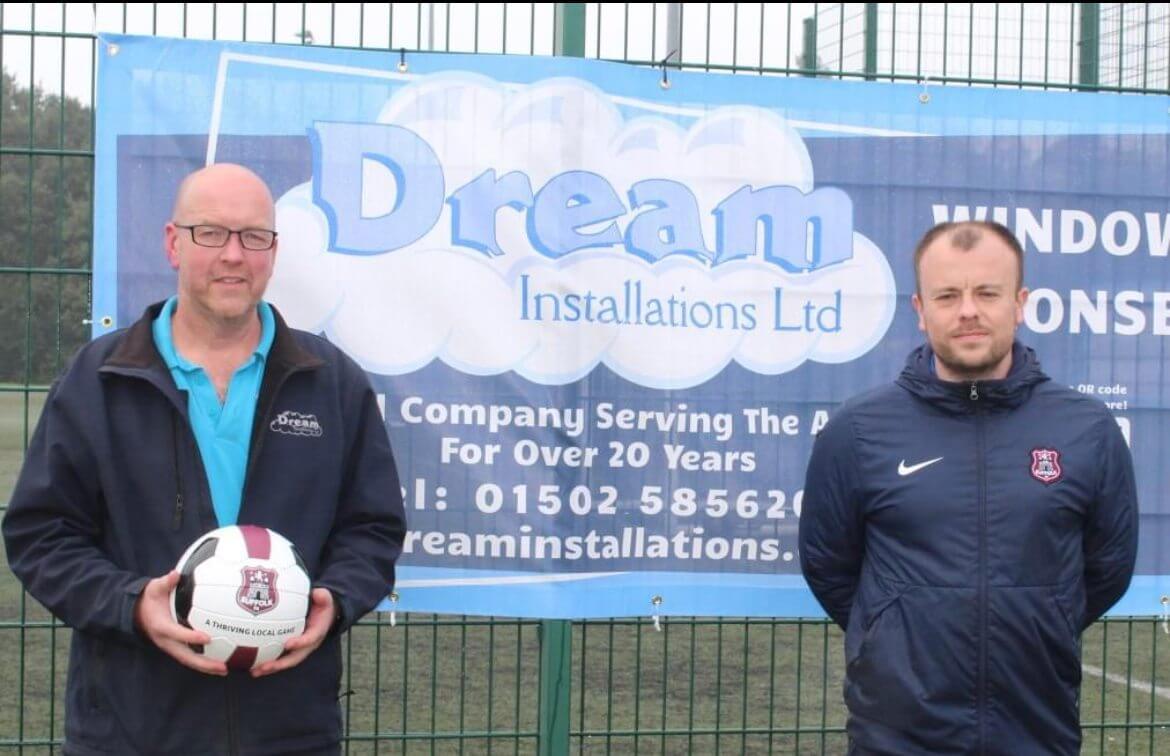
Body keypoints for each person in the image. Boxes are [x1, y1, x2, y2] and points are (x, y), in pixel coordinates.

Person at [3, 163, 408, 755]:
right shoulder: (102, 378)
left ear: (273, 250)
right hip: (129, 731)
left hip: (289, 731)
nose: (234, 256)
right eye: (211, 233)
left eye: (253, 236)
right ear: (173, 242)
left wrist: (336, 600)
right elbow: (41, 534)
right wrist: (131, 605)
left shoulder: (332, 383)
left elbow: (372, 529)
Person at [798, 220, 1138, 755]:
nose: (968, 311)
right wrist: (892, 630)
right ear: (920, 308)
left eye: (986, 293)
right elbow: (829, 566)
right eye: (948, 295)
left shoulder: (1087, 429)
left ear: (1019, 302)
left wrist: (1040, 617)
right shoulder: (858, 430)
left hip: (1037, 729)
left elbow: (1107, 568)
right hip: (897, 737)